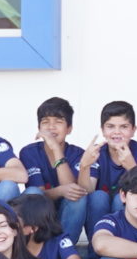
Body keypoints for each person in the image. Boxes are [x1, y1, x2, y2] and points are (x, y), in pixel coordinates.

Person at [76, 100, 137, 242]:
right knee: (98, 197)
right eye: (110, 126)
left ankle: (124, 250)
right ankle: (95, 257)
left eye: (123, 127)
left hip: (131, 217)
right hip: (100, 211)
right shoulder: (96, 153)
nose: (117, 132)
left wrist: (131, 167)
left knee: (120, 199)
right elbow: (87, 191)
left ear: (133, 130)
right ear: (103, 130)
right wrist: (84, 166)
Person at [19, 96, 90, 228]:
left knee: (78, 197)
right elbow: (36, 195)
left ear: (69, 128)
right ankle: (34, 245)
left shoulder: (78, 154)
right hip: (39, 215)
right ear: (39, 127)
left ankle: (65, 246)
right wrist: (59, 191)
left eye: (58, 122)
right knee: (32, 193)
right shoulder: (29, 152)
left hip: (67, 214)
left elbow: (71, 190)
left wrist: (56, 150)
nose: (51, 127)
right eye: (45, 122)